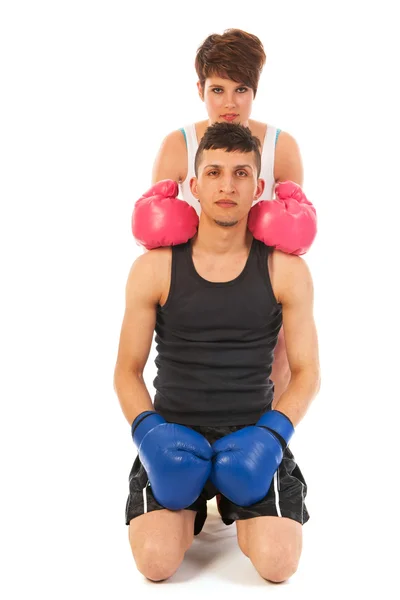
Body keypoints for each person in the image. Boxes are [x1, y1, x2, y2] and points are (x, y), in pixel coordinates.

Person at [114, 123, 320, 583]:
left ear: (259, 186)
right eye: (214, 172)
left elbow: (307, 372)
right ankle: (192, 500)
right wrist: (149, 435)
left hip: (253, 437)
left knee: (278, 564)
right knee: (155, 562)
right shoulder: (155, 268)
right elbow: (126, 371)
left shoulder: (286, 270)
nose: (227, 185)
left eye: (242, 173)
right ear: (194, 185)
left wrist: (271, 436)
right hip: (172, 435)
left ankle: (233, 497)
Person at [133, 28, 316, 405]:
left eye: (241, 90)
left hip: (257, 274)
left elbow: (294, 232)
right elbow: (154, 225)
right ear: (200, 90)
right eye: (218, 90)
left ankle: (268, 438)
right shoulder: (177, 145)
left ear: (254, 92)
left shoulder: (281, 148)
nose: (229, 103)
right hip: (196, 270)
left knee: (280, 344)